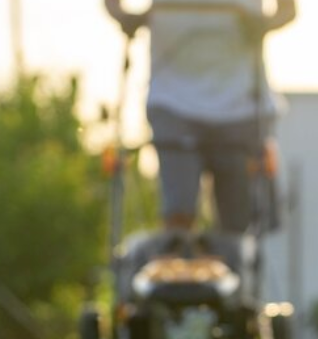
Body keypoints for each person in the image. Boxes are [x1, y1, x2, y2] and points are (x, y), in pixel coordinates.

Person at [104, 0, 297, 234]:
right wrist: (125, 15)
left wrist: (263, 23)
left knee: (238, 226)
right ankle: (175, 262)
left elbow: (287, 10)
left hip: (241, 105)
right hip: (172, 100)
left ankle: (230, 263)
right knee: (178, 217)